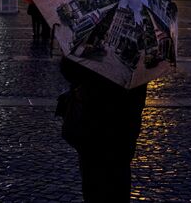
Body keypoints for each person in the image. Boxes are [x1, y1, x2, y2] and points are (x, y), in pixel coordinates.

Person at [57, 57, 147, 202]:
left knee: (92, 181)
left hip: (92, 122)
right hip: (124, 127)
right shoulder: (140, 53)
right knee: (119, 179)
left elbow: (69, 69)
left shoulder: (95, 42)